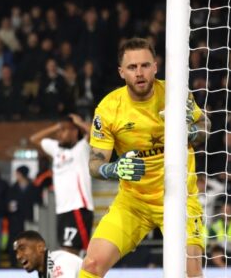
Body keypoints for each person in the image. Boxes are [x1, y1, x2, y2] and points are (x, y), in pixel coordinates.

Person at [79, 37, 210, 278]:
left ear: (155, 66)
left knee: (191, 273)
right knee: (91, 265)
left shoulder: (175, 93)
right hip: (133, 203)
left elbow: (205, 127)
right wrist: (113, 169)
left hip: (179, 198)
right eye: (132, 67)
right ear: (121, 72)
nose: (139, 73)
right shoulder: (108, 109)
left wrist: (189, 131)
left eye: (145, 65)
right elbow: (95, 164)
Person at [29, 113, 93, 256]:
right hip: (62, 209)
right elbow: (34, 139)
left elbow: (95, 132)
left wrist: (80, 122)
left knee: (72, 251)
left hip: (78, 207)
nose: (59, 133)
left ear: (74, 132)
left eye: (64, 130)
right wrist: (57, 126)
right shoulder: (56, 149)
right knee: (66, 250)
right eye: (59, 130)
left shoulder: (81, 148)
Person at [6, 166, 39, 266]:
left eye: (18, 173)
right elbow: (7, 203)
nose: (16, 176)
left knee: (29, 243)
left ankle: (30, 263)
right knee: (14, 242)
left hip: (29, 220)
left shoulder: (33, 188)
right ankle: (13, 262)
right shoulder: (13, 188)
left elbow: (37, 202)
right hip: (15, 220)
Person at [14, 230, 82, 278]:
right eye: (16, 252)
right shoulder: (45, 271)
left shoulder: (60, 262)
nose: (18, 256)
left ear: (40, 247)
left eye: (22, 249)